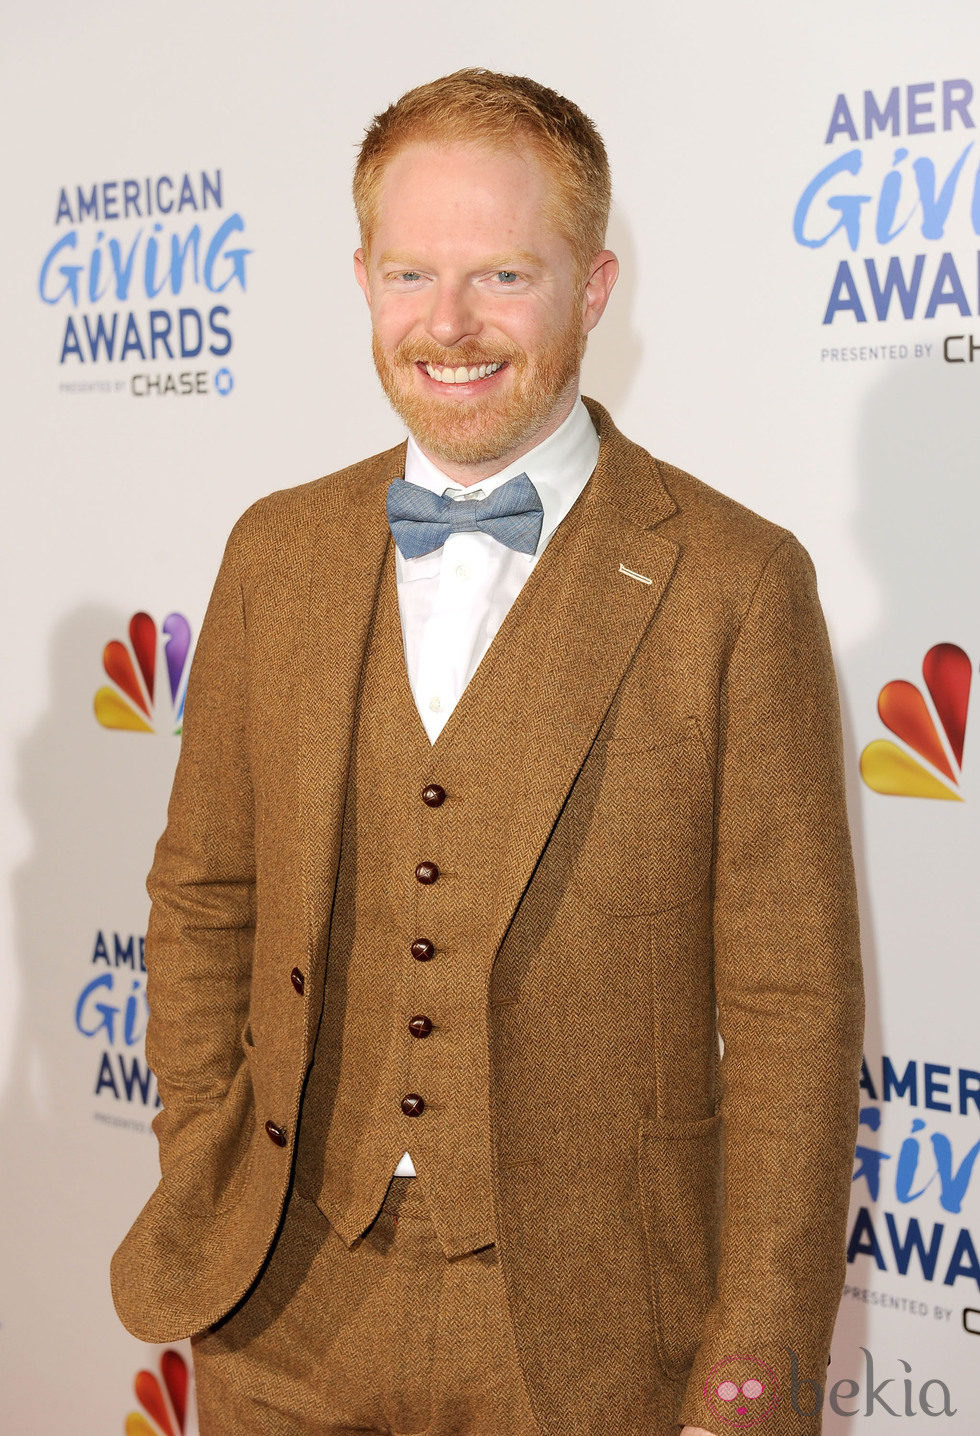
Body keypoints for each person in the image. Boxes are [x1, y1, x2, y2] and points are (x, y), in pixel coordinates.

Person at [112, 69, 864, 1436]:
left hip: (593, 1343)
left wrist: (749, 1377)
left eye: (503, 274)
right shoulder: (272, 553)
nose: (447, 325)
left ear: (592, 288)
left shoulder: (736, 586)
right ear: (361, 278)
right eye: (412, 272)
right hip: (279, 1309)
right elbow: (203, 895)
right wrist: (205, 1144)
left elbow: (792, 1019)